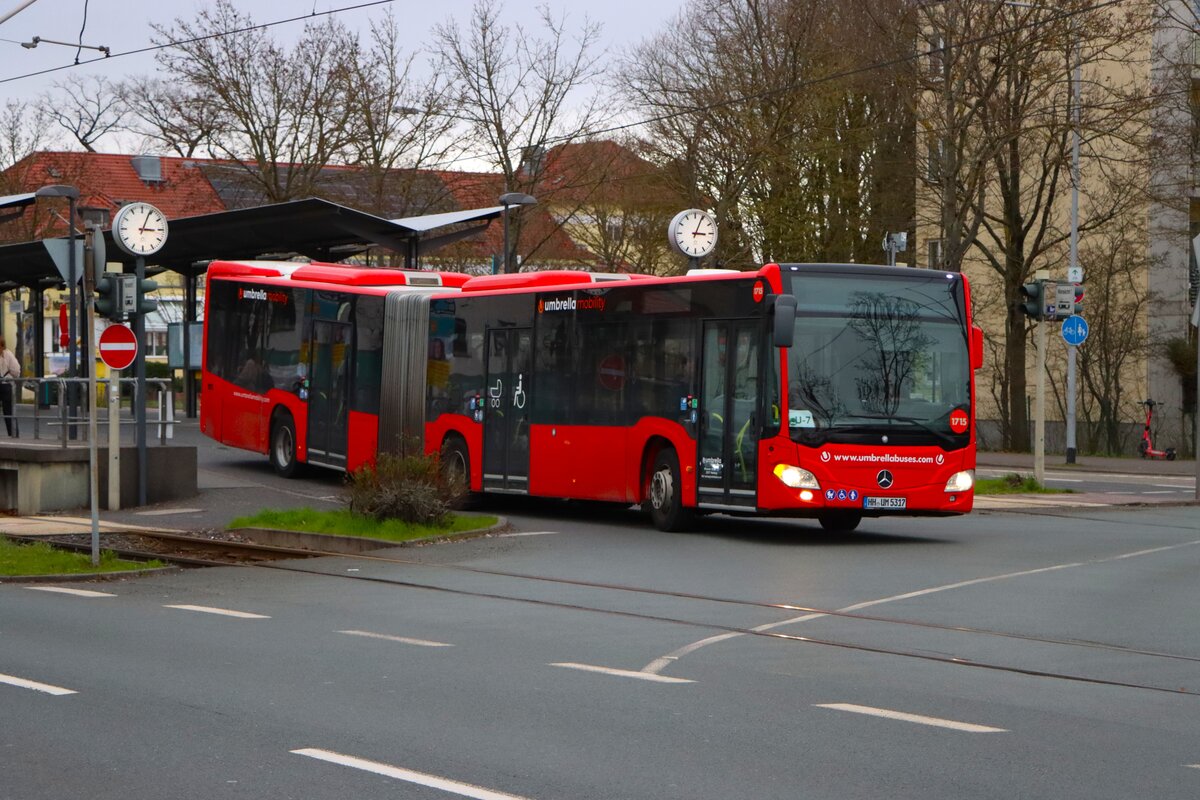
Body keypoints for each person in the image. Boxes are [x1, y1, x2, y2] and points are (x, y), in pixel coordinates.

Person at [0, 337, 21, 437]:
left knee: (9, 411)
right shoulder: (8, 354)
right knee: (9, 412)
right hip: (7, 385)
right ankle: (14, 434)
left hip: (5, 386)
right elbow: (16, 371)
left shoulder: (7, 354)